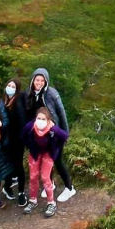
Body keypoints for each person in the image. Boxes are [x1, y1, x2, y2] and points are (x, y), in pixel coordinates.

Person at [28, 68, 76, 202]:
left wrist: (65, 133)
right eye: (37, 80)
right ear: (33, 80)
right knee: (46, 159)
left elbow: (61, 113)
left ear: (46, 81)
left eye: (42, 80)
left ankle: (69, 188)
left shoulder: (51, 93)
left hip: (55, 133)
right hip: (41, 134)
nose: (39, 82)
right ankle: (51, 183)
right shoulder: (31, 94)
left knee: (58, 160)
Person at [22, 106, 68, 217]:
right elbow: (22, 136)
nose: (40, 121)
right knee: (33, 176)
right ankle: (33, 200)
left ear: (48, 120)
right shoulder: (31, 126)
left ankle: (51, 202)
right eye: (39, 118)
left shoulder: (53, 129)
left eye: (43, 119)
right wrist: (30, 145)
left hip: (48, 153)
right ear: (35, 118)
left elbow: (64, 136)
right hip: (35, 152)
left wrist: (55, 149)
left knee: (45, 177)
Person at [1, 77, 31, 206]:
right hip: (5, 139)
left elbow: (23, 121)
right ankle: (7, 186)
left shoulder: (18, 102)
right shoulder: (3, 100)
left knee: (18, 166)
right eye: (9, 85)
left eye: (13, 87)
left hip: (18, 140)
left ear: (17, 89)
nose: (10, 88)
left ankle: (21, 192)